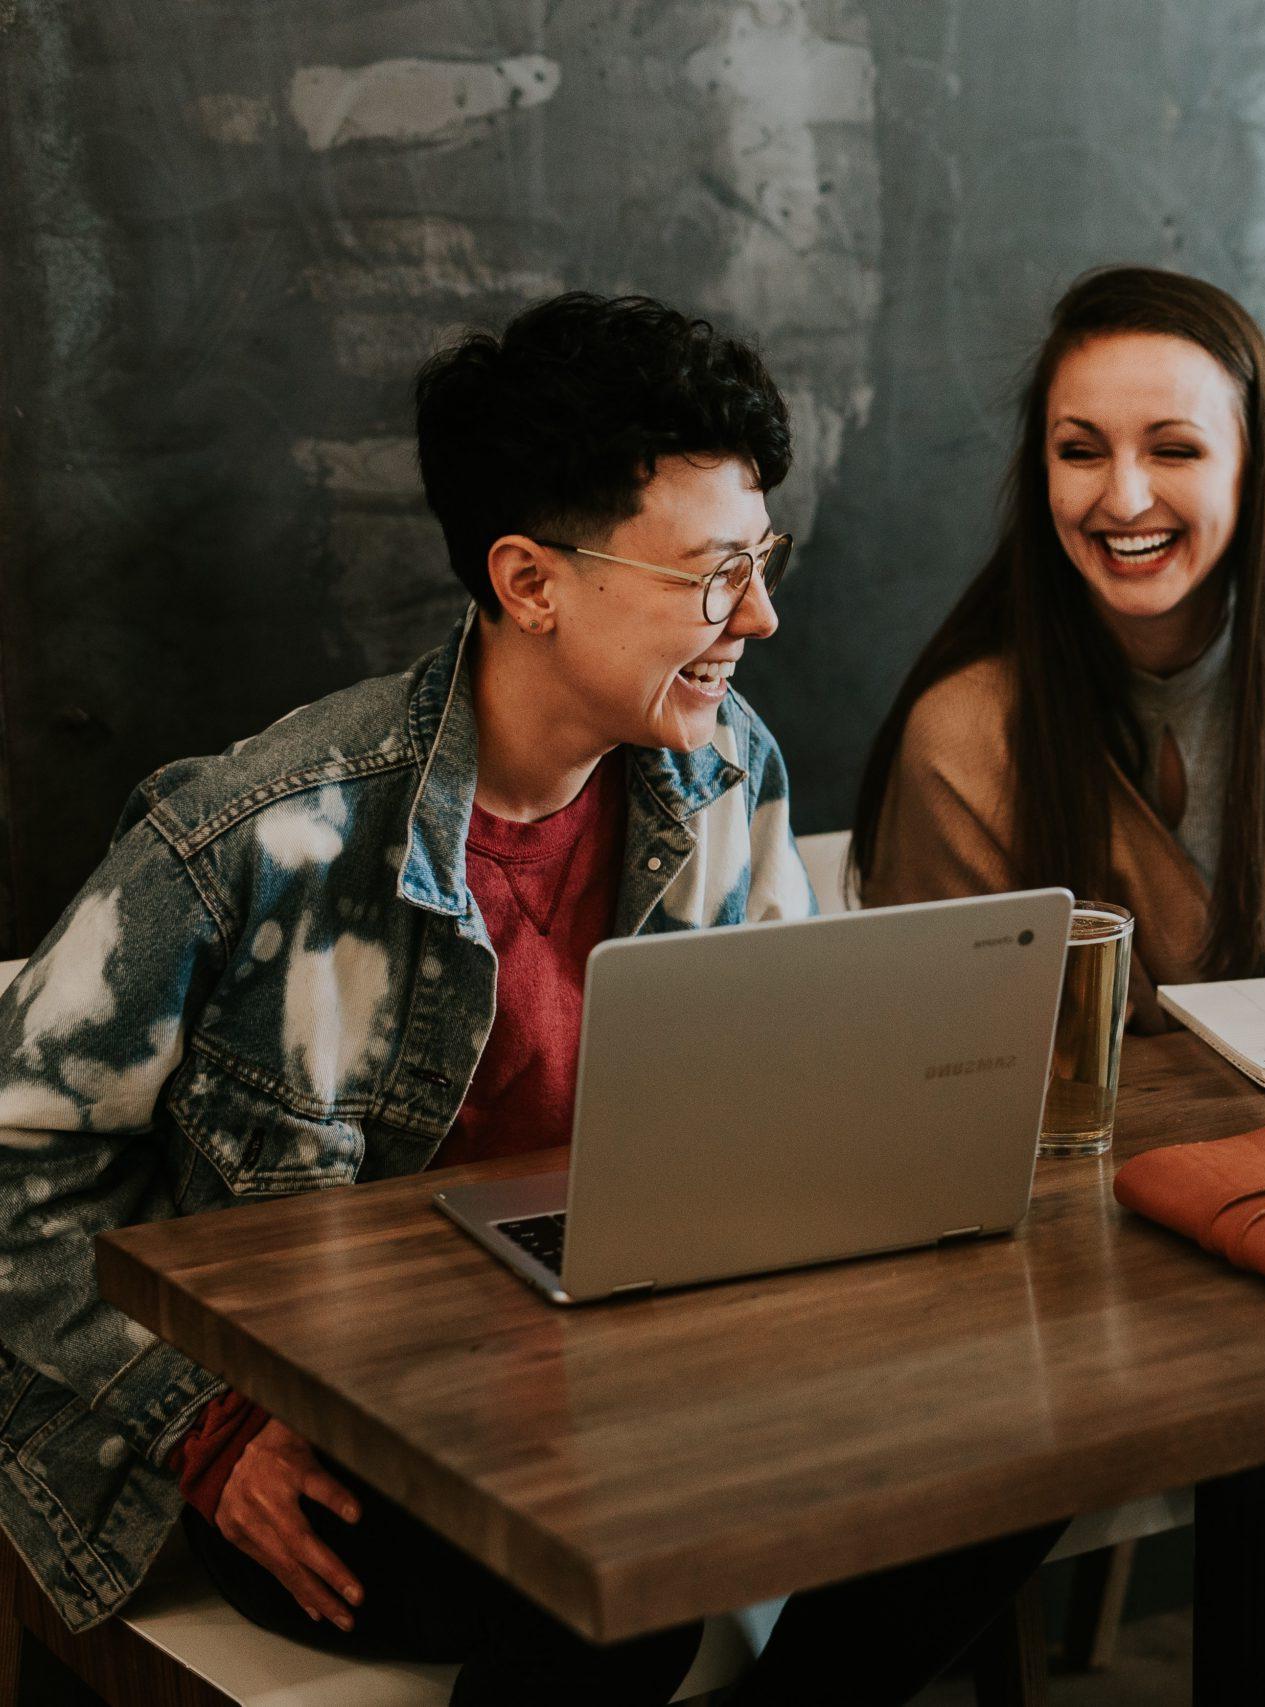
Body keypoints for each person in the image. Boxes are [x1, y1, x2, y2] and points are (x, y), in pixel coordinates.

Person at [0, 293, 1049, 1706]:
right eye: (712, 574)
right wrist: (202, 1428)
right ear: (530, 581)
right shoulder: (259, 836)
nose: (763, 615)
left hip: (630, 1383)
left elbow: (783, 1129)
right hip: (340, 1431)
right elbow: (18, 1165)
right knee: (619, 1572)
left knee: (1024, 1453)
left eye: (763, 560)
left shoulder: (727, 771)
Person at [855, 265, 1265, 1707]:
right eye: (1080, 449)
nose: (1121, 494)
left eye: (1173, 447)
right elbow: (949, 1099)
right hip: (1085, 1276)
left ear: (1250, 466)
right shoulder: (972, 732)